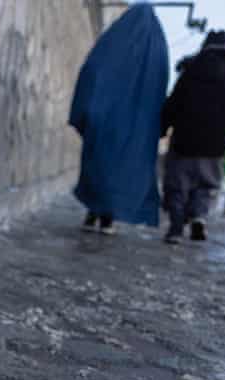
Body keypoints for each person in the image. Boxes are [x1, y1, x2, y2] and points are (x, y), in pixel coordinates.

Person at [69, 4, 169, 235]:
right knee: (120, 168)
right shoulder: (156, 48)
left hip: (105, 117)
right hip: (136, 126)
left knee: (99, 163)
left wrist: (86, 109)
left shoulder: (114, 42)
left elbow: (92, 71)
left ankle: (94, 211)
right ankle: (108, 217)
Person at [160, 30, 225, 244]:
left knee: (177, 186)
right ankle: (198, 217)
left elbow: (173, 104)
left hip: (184, 141)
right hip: (215, 145)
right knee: (205, 186)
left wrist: (161, 128)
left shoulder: (190, 71)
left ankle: (176, 226)